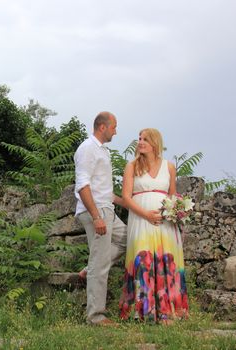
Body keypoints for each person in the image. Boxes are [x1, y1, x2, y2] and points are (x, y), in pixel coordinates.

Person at [119, 128, 189, 323]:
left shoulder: (169, 167)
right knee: (143, 261)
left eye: (145, 139)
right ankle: (142, 312)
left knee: (166, 262)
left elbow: (172, 196)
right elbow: (125, 197)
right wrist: (146, 214)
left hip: (165, 224)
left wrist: (175, 211)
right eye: (139, 138)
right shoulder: (132, 166)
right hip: (141, 220)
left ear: (155, 143)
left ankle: (169, 310)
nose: (140, 142)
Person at [74, 111, 127, 325]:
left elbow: (108, 193)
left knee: (128, 239)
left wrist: (134, 204)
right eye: (114, 126)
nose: (116, 130)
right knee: (101, 265)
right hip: (96, 211)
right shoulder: (87, 148)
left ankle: (91, 269)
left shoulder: (102, 151)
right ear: (102, 127)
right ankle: (95, 316)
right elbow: (83, 185)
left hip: (107, 208)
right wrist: (96, 216)